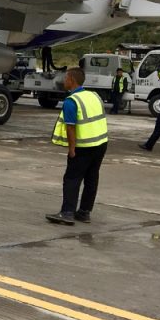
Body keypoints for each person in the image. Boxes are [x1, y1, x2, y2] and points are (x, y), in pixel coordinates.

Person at [46, 67, 109, 225]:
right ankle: (84, 212)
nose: (64, 81)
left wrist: (72, 149)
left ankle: (67, 212)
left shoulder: (71, 101)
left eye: (66, 78)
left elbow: (71, 127)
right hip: (101, 143)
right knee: (91, 178)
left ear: (72, 80)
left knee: (72, 178)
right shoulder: (93, 95)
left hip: (84, 145)